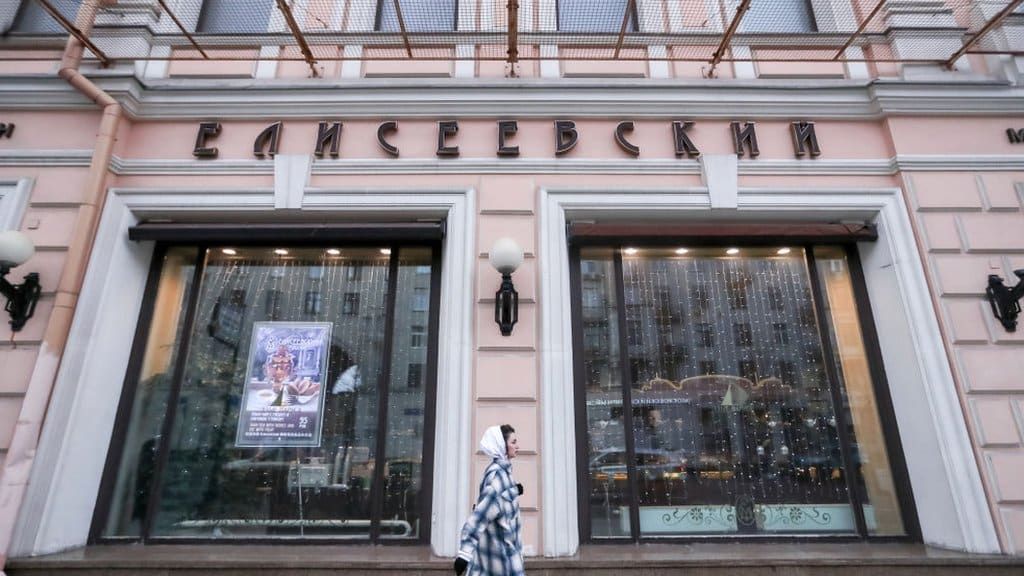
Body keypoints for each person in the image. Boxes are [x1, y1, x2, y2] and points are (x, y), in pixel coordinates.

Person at [454, 425, 524, 576]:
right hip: (500, 562)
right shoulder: (497, 477)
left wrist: (514, 491)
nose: (517, 446)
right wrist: (464, 555)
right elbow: (479, 517)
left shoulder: (505, 473)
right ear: (501, 446)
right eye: (513, 442)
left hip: (506, 556)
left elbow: (499, 502)